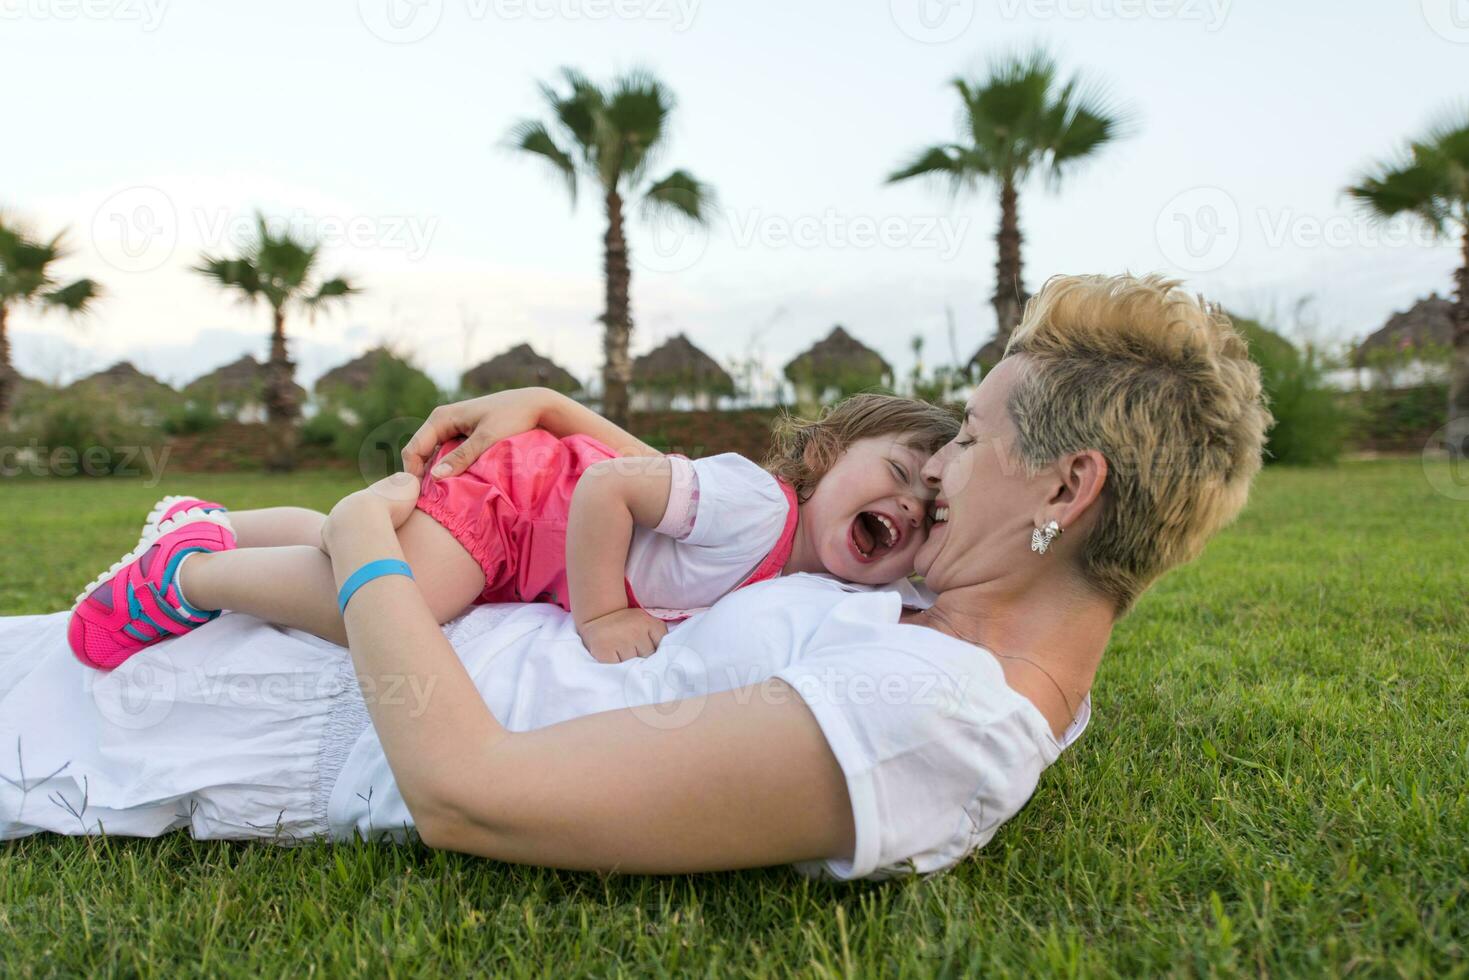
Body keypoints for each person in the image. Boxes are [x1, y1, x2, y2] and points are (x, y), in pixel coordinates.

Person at [1, 274, 1270, 880]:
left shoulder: (930, 709)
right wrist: (558, 410)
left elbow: (468, 790)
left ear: (1067, 487)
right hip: (325, 645)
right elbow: (721, 518)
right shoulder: (949, 610)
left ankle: (200, 562)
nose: (943, 465)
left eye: (979, 437)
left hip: (280, 712)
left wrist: (360, 541)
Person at [66, 393, 957, 668]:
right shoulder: (758, 507)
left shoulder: (815, 570)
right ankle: (186, 575)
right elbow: (609, 483)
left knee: (366, 547)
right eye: (896, 475)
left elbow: (637, 459)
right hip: (520, 503)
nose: (909, 505)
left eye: (928, 510)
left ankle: (218, 523)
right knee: (393, 609)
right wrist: (602, 617)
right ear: (826, 456)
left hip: (528, 548)